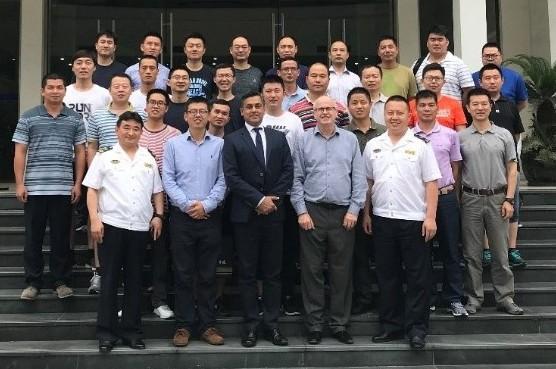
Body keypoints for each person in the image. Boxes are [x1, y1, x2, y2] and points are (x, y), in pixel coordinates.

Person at [364, 95, 440, 350]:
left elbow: (432, 183)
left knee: (418, 278)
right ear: (383, 116)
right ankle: (391, 326)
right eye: (390, 113)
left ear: (409, 116)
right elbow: (368, 183)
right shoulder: (373, 145)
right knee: (388, 276)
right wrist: (366, 213)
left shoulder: (421, 146)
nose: (394, 117)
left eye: (399, 113)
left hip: (414, 221)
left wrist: (430, 217)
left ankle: (417, 329)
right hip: (383, 218)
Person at [84, 111, 164, 353]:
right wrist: (95, 219)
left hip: (139, 228)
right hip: (111, 225)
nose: (131, 132)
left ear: (141, 132)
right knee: (109, 281)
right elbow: (92, 190)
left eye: (135, 128)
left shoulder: (148, 158)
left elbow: (157, 191)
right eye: (126, 127)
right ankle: (106, 333)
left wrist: (158, 215)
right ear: (117, 130)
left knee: (134, 281)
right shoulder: (105, 157)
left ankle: (131, 331)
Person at [291, 95, 367, 345]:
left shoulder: (350, 140)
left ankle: (339, 324)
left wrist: (354, 210)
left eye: (329, 108)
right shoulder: (303, 140)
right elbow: (296, 179)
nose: (324, 112)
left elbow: (359, 178)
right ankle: (313, 325)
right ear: (313, 112)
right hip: (312, 212)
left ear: (337, 112)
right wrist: (301, 211)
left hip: (343, 213)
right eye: (320, 109)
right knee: (311, 271)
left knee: (341, 271)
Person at [223, 92, 293, 348]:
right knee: (247, 273)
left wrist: (271, 201)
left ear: (264, 108)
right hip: (245, 216)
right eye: (248, 107)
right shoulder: (232, 140)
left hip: (274, 215)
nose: (253, 110)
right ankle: (251, 325)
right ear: (241, 112)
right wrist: (258, 200)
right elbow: (231, 177)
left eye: (257, 106)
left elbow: (288, 170)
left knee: (274, 272)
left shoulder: (278, 137)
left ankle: (272, 324)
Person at [13, 73, 86, 301]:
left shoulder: (74, 118)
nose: (55, 91)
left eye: (59, 87)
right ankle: (33, 282)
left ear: (65, 90)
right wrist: (19, 183)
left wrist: (77, 183)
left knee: (61, 238)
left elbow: (81, 152)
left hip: (64, 188)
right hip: (34, 188)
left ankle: (60, 281)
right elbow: (20, 152)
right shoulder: (28, 117)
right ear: (43, 91)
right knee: (33, 238)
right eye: (51, 87)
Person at [163, 96, 227, 347]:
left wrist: (207, 205)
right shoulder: (173, 145)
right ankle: (183, 326)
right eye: (193, 111)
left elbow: (224, 179)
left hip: (210, 216)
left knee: (208, 274)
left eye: (203, 111)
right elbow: (168, 178)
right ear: (185, 116)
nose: (198, 115)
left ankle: (208, 325)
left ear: (210, 115)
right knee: (183, 273)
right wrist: (188, 205)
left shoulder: (220, 145)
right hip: (182, 217)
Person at [459, 87, 523, 317]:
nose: (479, 108)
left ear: (490, 106)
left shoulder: (504, 135)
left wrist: (509, 199)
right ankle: (474, 298)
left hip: (498, 198)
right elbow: (457, 170)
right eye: (474, 104)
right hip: (471, 198)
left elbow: (512, 168)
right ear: (468, 108)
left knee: (500, 253)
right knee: (472, 254)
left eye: (483, 103)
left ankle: (505, 297)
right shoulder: (461, 137)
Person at [411, 89, 467, 317]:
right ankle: (429, 296)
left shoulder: (450, 135)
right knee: (421, 252)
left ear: (437, 107)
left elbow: (456, 166)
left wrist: (452, 190)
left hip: (445, 198)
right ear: (415, 109)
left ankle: (453, 297)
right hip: (418, 200)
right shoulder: (408, 136)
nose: (426, 109)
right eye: (421, 105)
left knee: (451, 249)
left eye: (430, 105)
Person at [260, 75, 304, 316]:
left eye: (277, 91)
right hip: (258, 196)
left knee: (286, 250)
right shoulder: (258, 117)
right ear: (263, 93)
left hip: (286, 194)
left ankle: (287, 296)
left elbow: (296, 158)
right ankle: (262, 297)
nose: (273, 95)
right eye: (269, 91)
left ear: (283, 94)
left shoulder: (293, 120)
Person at [138, 89, 181, 320]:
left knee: (160, 255)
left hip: (165, 205)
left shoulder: (175, 135)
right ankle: (133, 302)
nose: (156, 106)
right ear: (145, 106)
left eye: (160, 103)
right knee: (133, 256)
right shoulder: (135, 132)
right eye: (152, 102)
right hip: (135, 205)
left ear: (167, 108)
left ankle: (159, 300)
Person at [479, 64, 526, 269]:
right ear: (480, 82)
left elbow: (516, 135)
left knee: (512, 206)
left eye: (495, 77)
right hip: (483, 166)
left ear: (502, 81)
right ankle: (487, 250)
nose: (491, 81)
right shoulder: (476, 103)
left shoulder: (510, 105)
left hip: (507, 164)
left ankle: (512, 248)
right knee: (484, 209)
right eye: (487, 78)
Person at [345, 87, 386, 315]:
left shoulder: (384, 132)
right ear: (348, 106)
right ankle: (363, 297)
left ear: (370, 104)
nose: (359, 106)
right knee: (358, 255)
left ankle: (384, 297)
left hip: (382, 201)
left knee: (383, 253)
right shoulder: (343, 133)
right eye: (354, 102)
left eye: (363, 102)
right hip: (353, 203)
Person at [87, 73, 147, 160]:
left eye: (125, 86)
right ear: (109, 90)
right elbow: (92, 147)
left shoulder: (142, 114)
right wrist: (93, 171)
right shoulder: (97, 115)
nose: (121, 90)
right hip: (105, 166)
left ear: (132, 90)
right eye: (116, 86)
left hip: (133, 164)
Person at [412, 24, 474, 101]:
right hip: (425, 111)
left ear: (447, 42)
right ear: (427, 43)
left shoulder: (459, 64)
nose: (436, 43)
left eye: (440, 39)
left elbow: (469, 91)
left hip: (452, 112)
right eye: (433, 40)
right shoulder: (417, 64)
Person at [290, 62, 349, 130]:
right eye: (314, 76)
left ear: (329, 80)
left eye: (322, 76)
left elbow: (345, 138)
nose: (318, 80)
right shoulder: (294, 110)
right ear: (306, 80)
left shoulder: (340, 109)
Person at [408, 63, 467, 131]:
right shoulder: (412, 104)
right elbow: (407, 131)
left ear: (444, 82)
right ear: (422, 81)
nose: (433, 81)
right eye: (429, 78)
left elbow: (461, 133)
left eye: (437, 78)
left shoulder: (454, 104)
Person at [472, 42, 528, 111]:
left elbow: (522, 102)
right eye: (486, 56)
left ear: (501, 57)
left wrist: (510, 114)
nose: (490, 59)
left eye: (494, 55)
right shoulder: (473, 78)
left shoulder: (515, 77)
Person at [65, 49, 111, 129]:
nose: (83, 67)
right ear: (72, 67)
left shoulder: (105, 94)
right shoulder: (63, 93)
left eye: (88, 63)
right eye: (79, 63)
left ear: (94, 68)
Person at [327, 40, 362, 106]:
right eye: (335, 50)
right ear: (329, 55)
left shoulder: (355, 78)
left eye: (342, 50)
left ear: (347, 55)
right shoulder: (323, 77)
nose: (338, 53)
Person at [213, 63, 243, 134]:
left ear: (234, 79)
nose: (224, 79)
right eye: (220, 76)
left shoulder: (242, 104)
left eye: (227, 75)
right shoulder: (209, 105)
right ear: (214, 79)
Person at [184, 32, 216, 99]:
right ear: (185, 50)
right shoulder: (178, 71)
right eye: (190, 46)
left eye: (198, 46)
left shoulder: (212, 72)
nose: (194, 49)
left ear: (204, 50)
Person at [164, 66, 190, 133]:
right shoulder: (163, 106)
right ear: (168, 82)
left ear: (190, 83)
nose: (181, 81)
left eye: (184, 78)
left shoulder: (195, 106)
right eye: (177, 78)